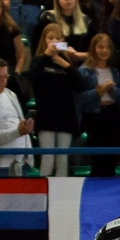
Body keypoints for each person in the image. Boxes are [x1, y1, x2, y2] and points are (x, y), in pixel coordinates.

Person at [28, 22, 84, 176]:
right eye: (50, 38)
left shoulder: (65, 63)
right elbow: (33, 77)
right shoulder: (39, 60)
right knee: (48, 158)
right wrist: (46, 55)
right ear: (44, 40)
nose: (53, 42)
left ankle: (61, 196)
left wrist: (67, 65)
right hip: (46, 116)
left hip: (65, 116)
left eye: (57, 38)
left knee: (62, 159)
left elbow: (80, 85)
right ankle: (43, 193)